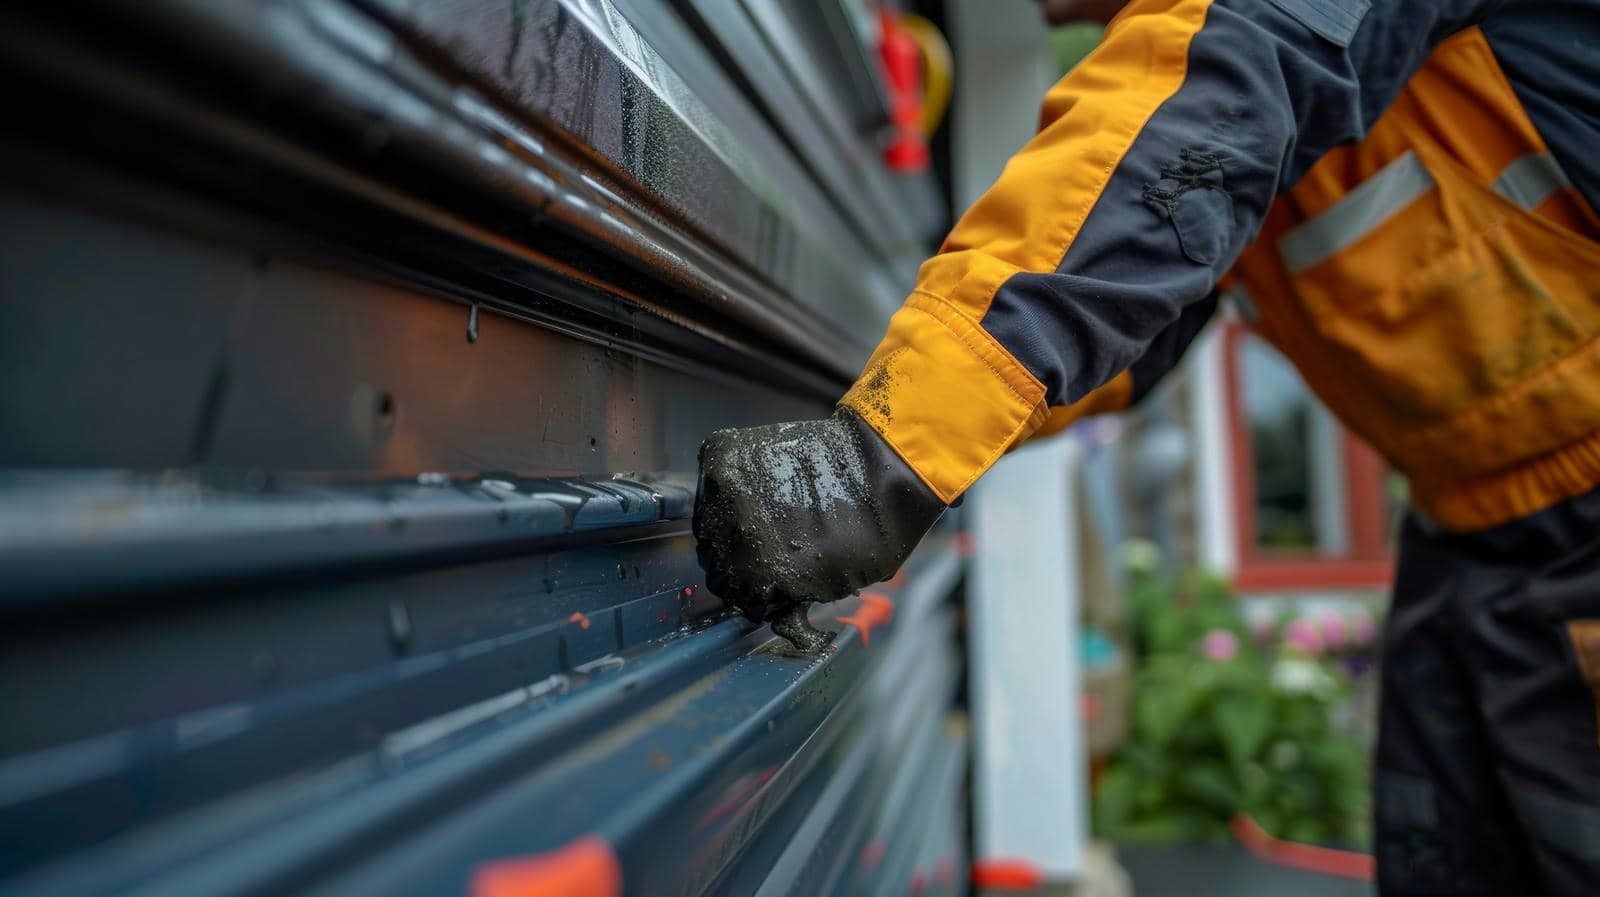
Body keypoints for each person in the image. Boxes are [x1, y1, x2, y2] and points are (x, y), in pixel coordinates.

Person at [692, 0, 1600, 893]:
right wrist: (912, 411)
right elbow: (1127, 322)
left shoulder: (1251, 51)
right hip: (1475, 539)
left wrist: (876, 458)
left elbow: (1212, 96)